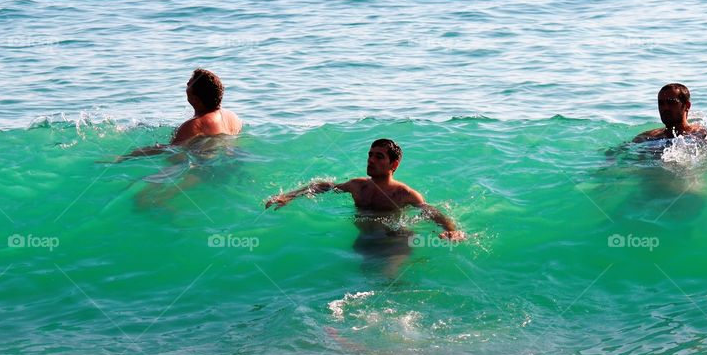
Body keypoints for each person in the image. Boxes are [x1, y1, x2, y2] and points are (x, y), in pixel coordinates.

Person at [265, 138, 464, 241]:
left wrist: (452, 231)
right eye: (370, 155)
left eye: (379, 156)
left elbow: (430, 211)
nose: (371, 160)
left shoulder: (403, 194)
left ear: (393, 165)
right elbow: (324, 185)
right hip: (363, 238)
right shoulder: (357, 185)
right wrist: (289, 196)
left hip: (393, 242)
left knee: (389, 283)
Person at [111, 68, 242, 161]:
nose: (186, 84)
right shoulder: (232, 117)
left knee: (143, 198)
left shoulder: (194, 125)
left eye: (190, 83)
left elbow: (170, 150)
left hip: (203, 166)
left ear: (196, 99)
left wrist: (126, 157)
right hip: (226, 160)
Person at [633, 83, 707, 143]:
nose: (665, 108)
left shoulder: (703, 136)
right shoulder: (646, 137)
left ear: (687, 106)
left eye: (672, 102)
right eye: (661, 103)